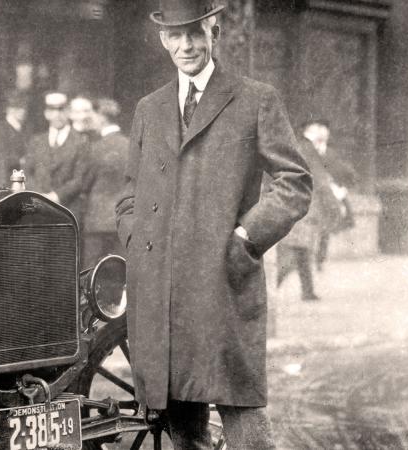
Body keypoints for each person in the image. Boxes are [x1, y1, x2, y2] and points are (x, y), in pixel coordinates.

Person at [114, 1, 313, 448]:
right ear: (163, 40)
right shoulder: (149, 108)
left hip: (221, 282)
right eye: (176, 36)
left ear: (214, 32)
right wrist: (136, 238)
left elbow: (295, 181)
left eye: (195, 34)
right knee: (183, 424)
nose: (186, 46)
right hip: (161, 287)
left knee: (243, 419)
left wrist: (246, 237)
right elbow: (129, 193)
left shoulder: (255, 99)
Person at [276, 130, 340, 301]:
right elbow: (320, 182)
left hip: (292, 205)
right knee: (295, 252)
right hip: (305, 208)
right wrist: (333, 204)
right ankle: (271, 287)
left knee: (301, 251)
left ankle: (307, 290)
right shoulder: (309, 152)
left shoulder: (295, 148)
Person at [301, 119, 358, 271]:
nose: (323, 135)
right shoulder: (308, 150)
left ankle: (320, 258)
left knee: (325, 228)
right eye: (319, 131)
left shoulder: (330, 152)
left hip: (328, 191)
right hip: (313, 191)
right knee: (313, 225)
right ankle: (308, 257)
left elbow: (342, 170)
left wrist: (340, 184)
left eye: (325, 133)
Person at [25, 91, 89, 220]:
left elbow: (80, 179)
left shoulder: (81, 141)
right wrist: (40, 197)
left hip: (67, 210)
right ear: (46, 113)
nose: (57, 115)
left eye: (62, 110)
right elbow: (27, 172)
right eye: (52, 110)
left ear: (68, 112)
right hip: (38, 210)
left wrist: (56, 196)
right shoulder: (36, 141)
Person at [81, 97, 128, 267]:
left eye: (92, 115)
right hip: (121, 220)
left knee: (91, 272)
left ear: (102, 117)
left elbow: (84, 183)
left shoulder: (95, 148)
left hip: (96, 222)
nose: (89, 119)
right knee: (116, 271)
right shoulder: (129, 145)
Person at [0, 90, 30, 182]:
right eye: (18, 107)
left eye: (24, 107)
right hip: (6, 180)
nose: (23, 111)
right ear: (9, 109)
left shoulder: (26, 129)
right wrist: (21, 160)